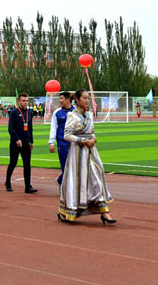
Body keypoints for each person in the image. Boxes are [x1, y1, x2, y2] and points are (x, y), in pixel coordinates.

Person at [58, 89, 116, 225]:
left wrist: (93, 140)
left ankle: (104, 211)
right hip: (77, 154)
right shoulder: (72, 116)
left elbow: (93, 132)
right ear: (77, 100)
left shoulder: (89, 115)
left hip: (91, 152)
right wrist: (83, 141)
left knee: (97, 178)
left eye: (88, 98)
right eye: (84, 98)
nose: (87, 101)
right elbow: (66, 135)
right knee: (77, 181)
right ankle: (68, 210)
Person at [5, 93, 36, 194]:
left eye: (27, 101)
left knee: (27, 165)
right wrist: (17, 139)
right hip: (15, 143)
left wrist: (31, 141)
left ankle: (28, 186)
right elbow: (11, 128)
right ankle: (8, 182)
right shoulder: (14, 112)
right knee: (13, 163)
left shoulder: (29, 113)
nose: (25, 102)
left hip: (26, 143)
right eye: (23, 101)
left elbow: (30, 128)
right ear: (19, 101)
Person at [48, 91, 74, 186]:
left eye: (61, 98)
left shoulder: (75, 111)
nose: (60, 101)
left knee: (74, 167)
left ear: (68, 100)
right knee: (66, 167)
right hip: (62, 144)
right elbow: (53, 128)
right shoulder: (57, 112)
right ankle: (64, 185)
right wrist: (51, 142)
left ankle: (61, 181)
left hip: (74, 143)